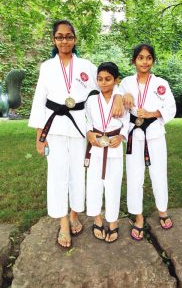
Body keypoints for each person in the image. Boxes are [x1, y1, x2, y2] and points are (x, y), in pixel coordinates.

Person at [28, 20, 124, 249]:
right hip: (55, 126)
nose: (64, 41)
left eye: (69, 36)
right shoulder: (47, 67)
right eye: (60, 37)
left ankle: (74, 213)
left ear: (75, 39)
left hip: (80, 126)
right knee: (57, 173)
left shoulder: (86, 66)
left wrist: (119, 95)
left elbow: (107, 82)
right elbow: (39, 100)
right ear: (54, 40)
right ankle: (62, 222)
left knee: (78, 172)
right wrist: (40, 136)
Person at [120, 43, 176, 241]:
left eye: (148, 57)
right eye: (140, 57)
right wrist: (123, 96)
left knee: (159, 173)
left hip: (155, 133)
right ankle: (139, 217)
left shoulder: (161, 84)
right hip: (134, 134)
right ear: (134, 60)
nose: (145, 61)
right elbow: (117, 103)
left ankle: (162, 210)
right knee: (135, 176)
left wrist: (152, 113)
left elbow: (171, 107)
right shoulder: (126, 82)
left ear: (153, 60)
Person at [85, 62, 129, 243]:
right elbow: (87, 120)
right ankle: (97, 218)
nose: (103, 83)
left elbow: (128, 122)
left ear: (116, 80)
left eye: (108, 79)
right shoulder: (91, 100)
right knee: (94, 185)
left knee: (113, 184)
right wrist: (89, 133)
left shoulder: (123, 100)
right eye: (100, 79)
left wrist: (122, 136)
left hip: (113, 145)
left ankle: (112, 222)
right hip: (96, 146)